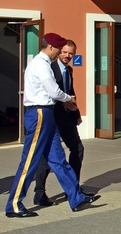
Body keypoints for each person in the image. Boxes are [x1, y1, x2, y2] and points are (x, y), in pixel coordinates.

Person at [4, 32, 99, 218]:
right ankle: (14, 204)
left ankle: (76, 197)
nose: (61, 53)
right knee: (30, 160)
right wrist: (68, 99)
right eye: (59, 49)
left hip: (46, 113)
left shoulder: (43, 63)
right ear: (51, 48)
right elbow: (53, 90)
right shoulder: (41, 65)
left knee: (57, 159)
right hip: (39, 112)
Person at [33, 40, 88, 206]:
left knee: (77, 148)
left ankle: (73, 188)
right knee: (47, 155)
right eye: (64, 52)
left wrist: (76, 113)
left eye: (70, 53)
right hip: (52, 117)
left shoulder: (69, 70)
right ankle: (40, 193)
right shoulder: (48, 68)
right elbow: (52, 93)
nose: (67, 56)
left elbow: (71, 93)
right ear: (58, 51)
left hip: (66, 117)